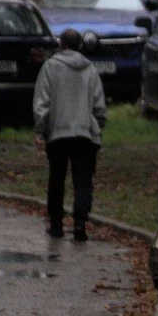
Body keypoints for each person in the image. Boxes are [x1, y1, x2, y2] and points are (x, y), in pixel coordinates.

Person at [33, 28, 107, 241]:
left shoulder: (50, 67)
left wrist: (41, 129)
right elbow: (99, 106)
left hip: (58, 132)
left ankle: (56, 223)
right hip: (84, 133)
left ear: (61, 44)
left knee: (57, 177)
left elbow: (42, 103)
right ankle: (80, 224)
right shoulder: (90, 69)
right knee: (83, 180)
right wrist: (97, 126)